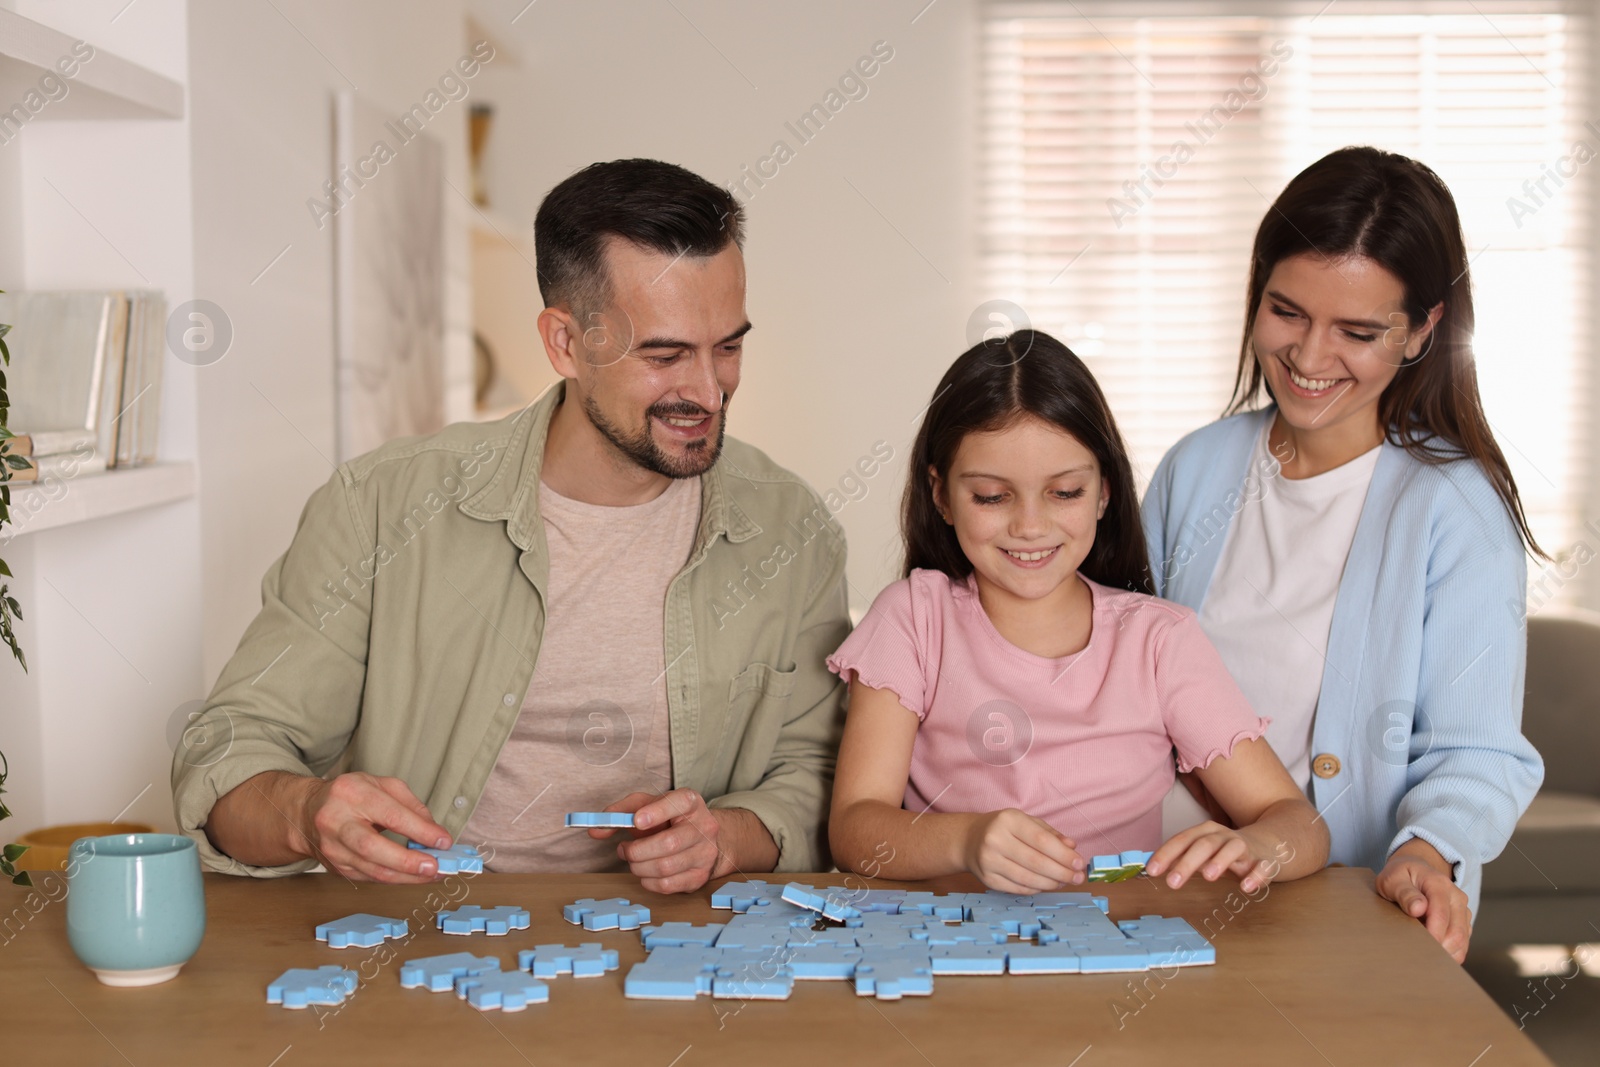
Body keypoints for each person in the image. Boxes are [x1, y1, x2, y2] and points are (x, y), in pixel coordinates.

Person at [172, 159, 850, 891]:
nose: (709, 390)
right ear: (564, 344)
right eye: (664, 354)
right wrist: (308, 812)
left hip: (676, 953)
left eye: (729, 346)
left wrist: (729, 836)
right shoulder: (380, 506)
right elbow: (225, 755)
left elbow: (820, 778)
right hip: (425, 946)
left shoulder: (793, 529)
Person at [1142, 146, 1545, 962]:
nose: (1310, 357)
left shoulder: (1454, 507)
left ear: (1422, 330)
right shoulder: (1198, 467)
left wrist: (1427, 850)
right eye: (1287, 312)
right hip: (1160, 901)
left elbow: (1477, 751)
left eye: (1358, 331)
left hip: (1334, 918)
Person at [827, 331, 1328, 895]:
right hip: (953, 954)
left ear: (1104, 492)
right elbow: (853, 830)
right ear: (941, 495)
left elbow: (1297, 822)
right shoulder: (913, 620)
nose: (1031, 526)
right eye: (992, 496)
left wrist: (1259, 844)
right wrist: (964, 841)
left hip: (1118, 952)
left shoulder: (1158, 640)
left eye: (1064, 492)